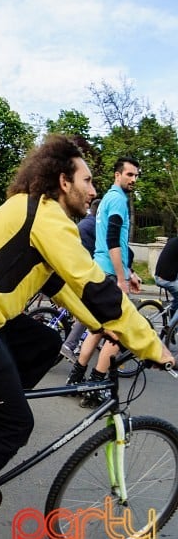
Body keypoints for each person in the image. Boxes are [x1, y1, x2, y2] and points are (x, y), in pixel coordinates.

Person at [0, 135, 172, 539]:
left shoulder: (36, 211)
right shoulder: (48, 218)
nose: (93, 189)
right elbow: (93, 285)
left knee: (46, 340)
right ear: (63, 181)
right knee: (16, 426)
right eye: (87, 180)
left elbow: (63, 287)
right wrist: (148, 343)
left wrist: (104, 326)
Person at [68, 157, 141, 407]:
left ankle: (75, 380)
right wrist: (122, 278)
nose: (133, 179)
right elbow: (112, 240)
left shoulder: (107, 199)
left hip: (100, 268)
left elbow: (113, 242)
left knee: (98, 329)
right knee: (117, 334)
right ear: (117, 175)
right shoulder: (119, 200)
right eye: (129, 174)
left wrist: (129, 272)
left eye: (136, 176)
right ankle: (95, 389)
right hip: (110, 273)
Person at [59, 196, 101, 362]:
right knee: (90, 308)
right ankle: (71, 343)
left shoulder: (85, 222)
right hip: (78, 270)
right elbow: (104, 247)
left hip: (68, 266)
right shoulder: (95, 226)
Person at [154, 235, 178, 321]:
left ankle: (173, 310)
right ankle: (171, 328)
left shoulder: (172, 240)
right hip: (166, 279)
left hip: (159, 276)